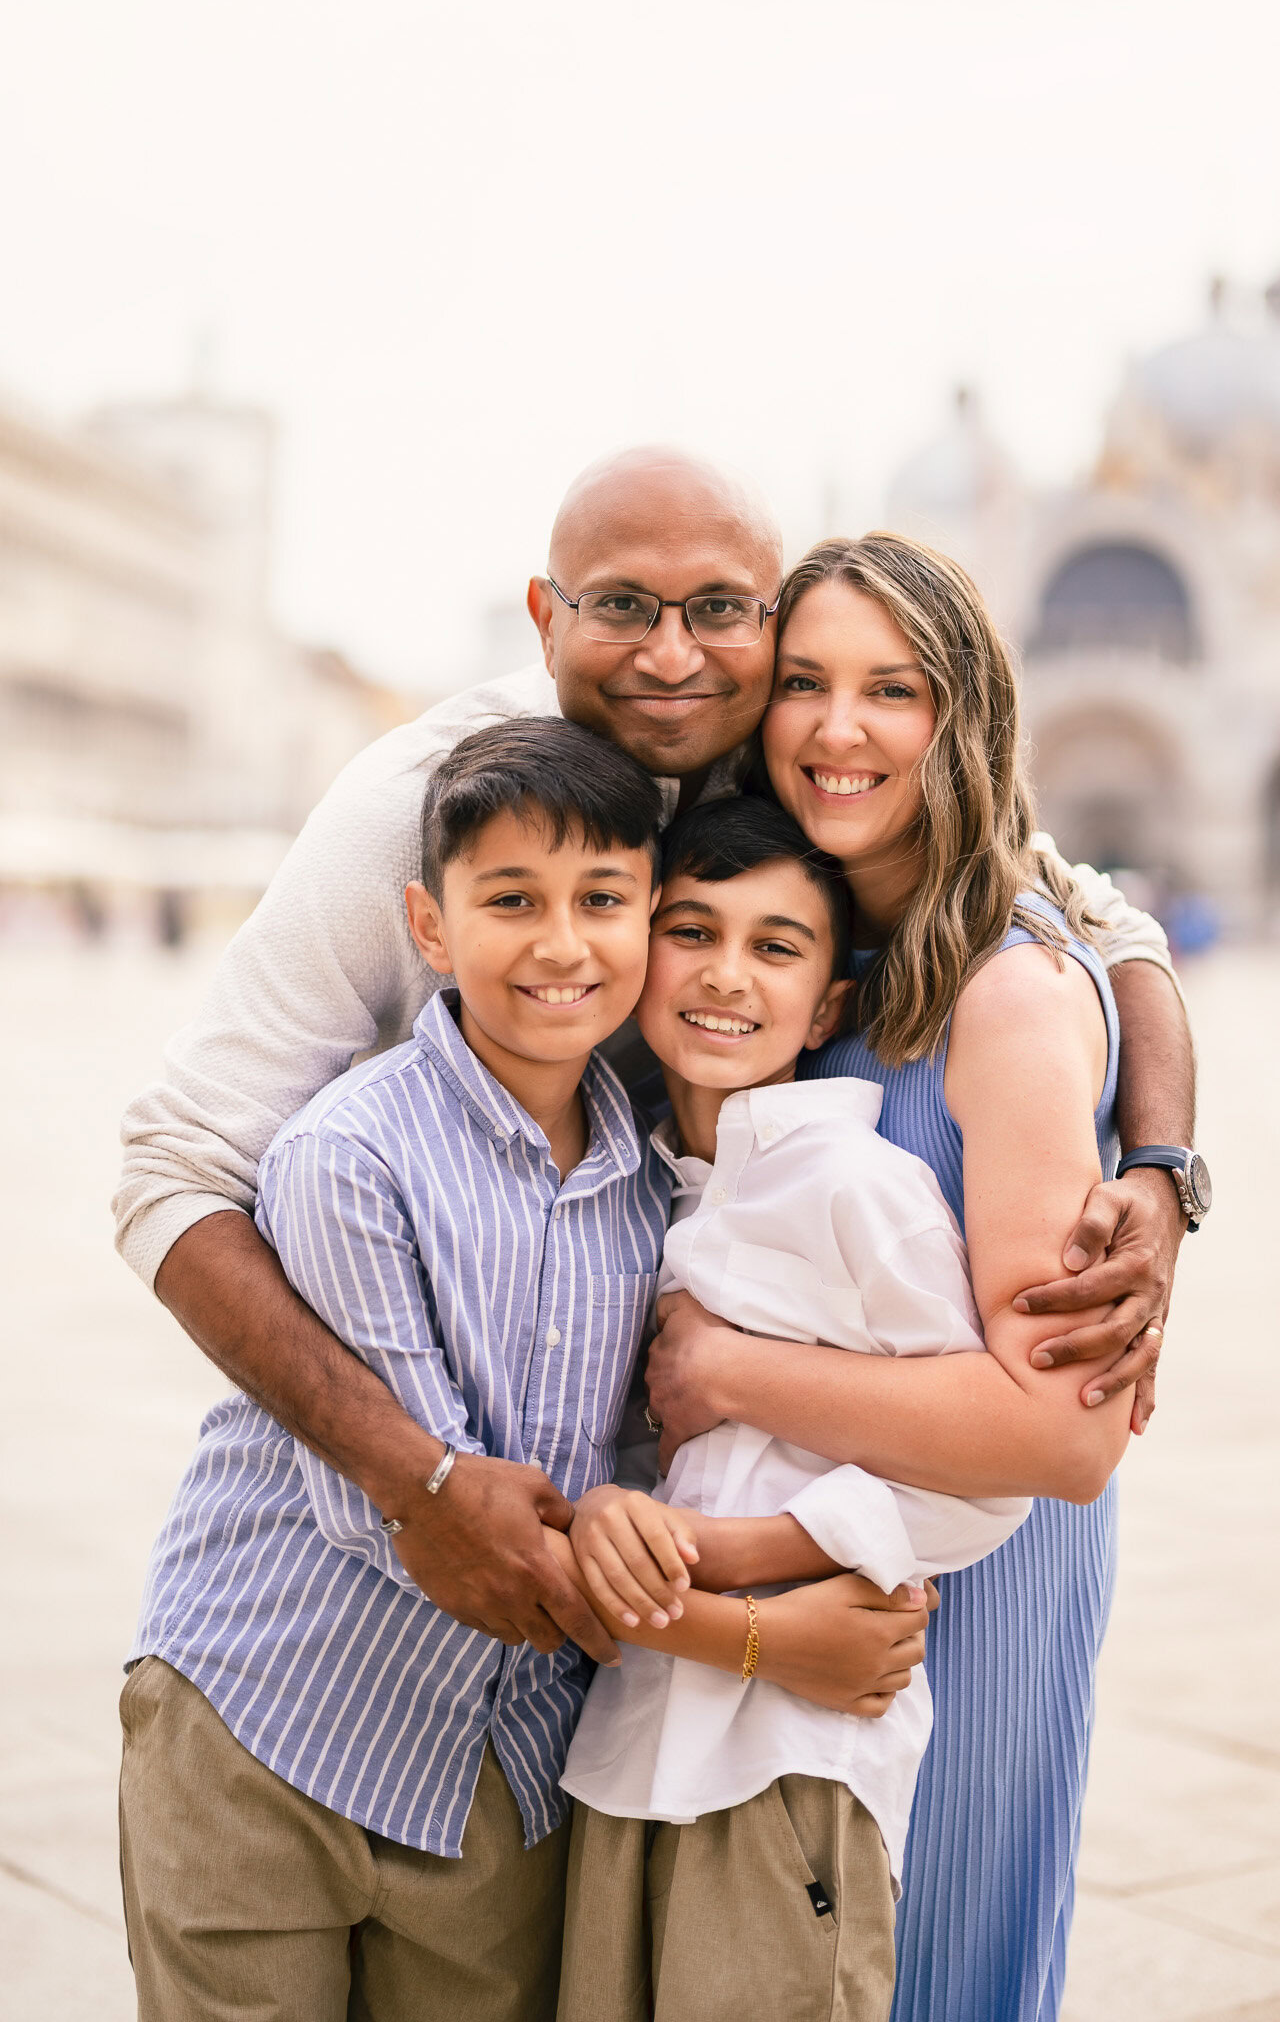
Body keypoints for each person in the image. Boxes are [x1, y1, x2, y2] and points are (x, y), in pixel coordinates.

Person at [114, 451, 1194, 2012]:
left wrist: (1159, 1166)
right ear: (549, 615)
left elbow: (1101, 924)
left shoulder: (800, 770)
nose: (677, 655)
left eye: (721, 615)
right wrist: (421, 1480)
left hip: (898, 1547)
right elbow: (168, 1165)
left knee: (940, 1933)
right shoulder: (433, 797)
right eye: (625, 608)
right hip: (549, 1641)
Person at [119, 720, 926, 2021]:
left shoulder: (656, 1192)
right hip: (272, 1724)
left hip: (496, 1773)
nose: (563, 944)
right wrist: (775, 1638)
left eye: (605, 902)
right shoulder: (350, 1158)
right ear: (429, 930)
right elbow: (446, 1537)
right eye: (510, 902)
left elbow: (626, 1477)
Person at [642, 532, 1204, 2022]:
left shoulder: (1003, 991)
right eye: (808, 684)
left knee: (933, 1961)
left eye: (893, 690)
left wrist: (722, 1372)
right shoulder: (820, 934)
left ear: (964, 719)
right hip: (809, 1564)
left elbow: (1062, 1437)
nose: (839, 729)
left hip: (972, 1588)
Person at [554, 797, 1032, 2022]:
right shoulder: (649, 1188)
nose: (724, 974)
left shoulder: (858, 1187)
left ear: (826, 1005)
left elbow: (987, 1477)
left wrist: (745, 1557)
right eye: (691, 930)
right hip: (626, 1752)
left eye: (774, 947)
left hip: (792, 1759)